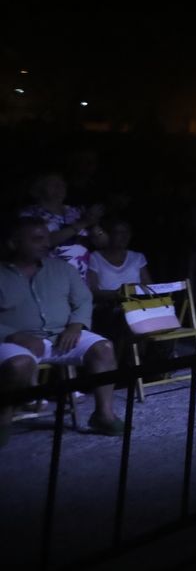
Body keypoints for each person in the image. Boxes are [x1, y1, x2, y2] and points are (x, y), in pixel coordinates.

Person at [1, 218, 126, 441]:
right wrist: (15, 335)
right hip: (13, 340)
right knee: (18, 364)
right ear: (13, 243)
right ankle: (3, 418)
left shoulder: (61, 268)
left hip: (61, 334)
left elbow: (83, 300)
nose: (46, 244)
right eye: (37, 239)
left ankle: (103, 415)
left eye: (47, 238)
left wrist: (76, 325)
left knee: (104, 348)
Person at [22, 172, 105, 280]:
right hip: (48, 278)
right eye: (53, 184)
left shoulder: (76, 211)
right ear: (38, 189)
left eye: (63, 184)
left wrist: (94, 224)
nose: (60, 187)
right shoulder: (30, 213)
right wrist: (83, 223)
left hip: (81, 278)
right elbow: (46, 241)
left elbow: (103, 243)